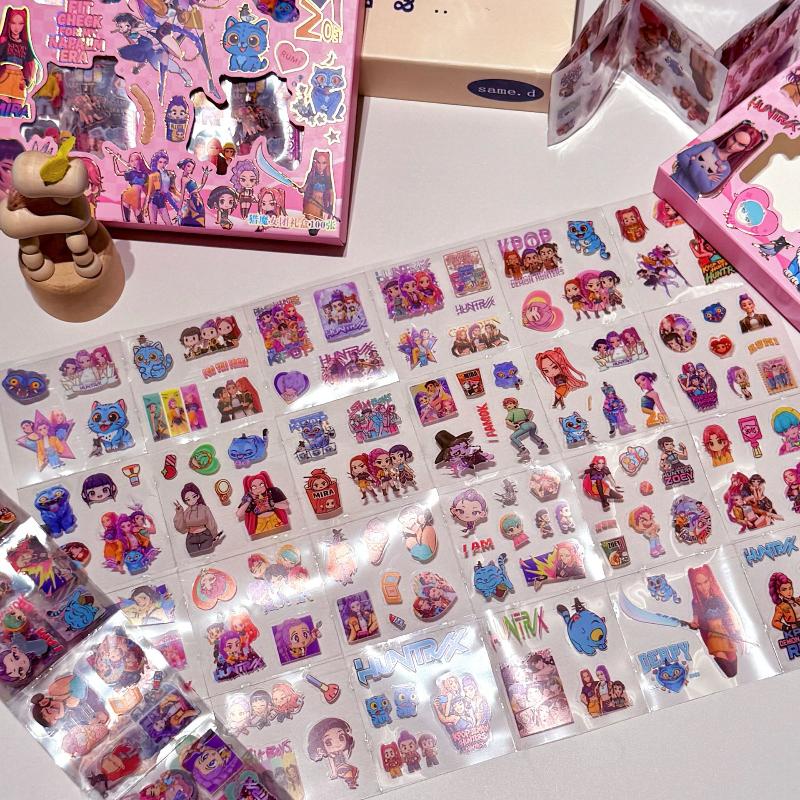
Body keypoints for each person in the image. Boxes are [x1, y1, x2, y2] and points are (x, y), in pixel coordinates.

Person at [173, 483, 223, 556]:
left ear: (198, 496)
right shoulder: (186, 512)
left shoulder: (204, 508)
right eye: (188, 499)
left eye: (194, 496)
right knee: (194, 556)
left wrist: (214, 535)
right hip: (191, 537)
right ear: (185, 501)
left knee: (207, 555)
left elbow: (211, 523)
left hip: (205, 535)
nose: (192, 500)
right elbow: (181, 527)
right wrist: (179, 511)